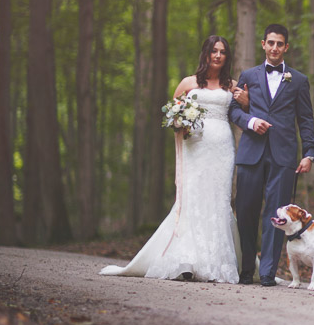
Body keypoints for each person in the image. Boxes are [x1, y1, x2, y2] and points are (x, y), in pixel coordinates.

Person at [101, 35, 247, 283]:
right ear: (206, 54)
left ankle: (218, 261)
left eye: (222, 52)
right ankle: (186, 259)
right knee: (193, 197)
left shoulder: (232, 85)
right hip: (195, 146)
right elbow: (173, 112)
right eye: (214, 51)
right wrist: (181, 123)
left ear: (227, 56)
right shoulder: (189, 82)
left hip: (221, 146)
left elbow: (244, 111)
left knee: (219, 199)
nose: (218, 56)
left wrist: (245, 101)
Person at [228, 24, 314, 286]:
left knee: (277, 217)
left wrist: (309, 152)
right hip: (251, 153)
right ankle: (246, 270)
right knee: (246, 212)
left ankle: (266, 272)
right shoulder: (249, 76)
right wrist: (251, 122)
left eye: (280, 44)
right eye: (271, 43)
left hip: (283, 156)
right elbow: (233, 111)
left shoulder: (298, 80)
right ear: (263, 44)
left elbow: (306, 119)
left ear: (286, 47)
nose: (275, 48)